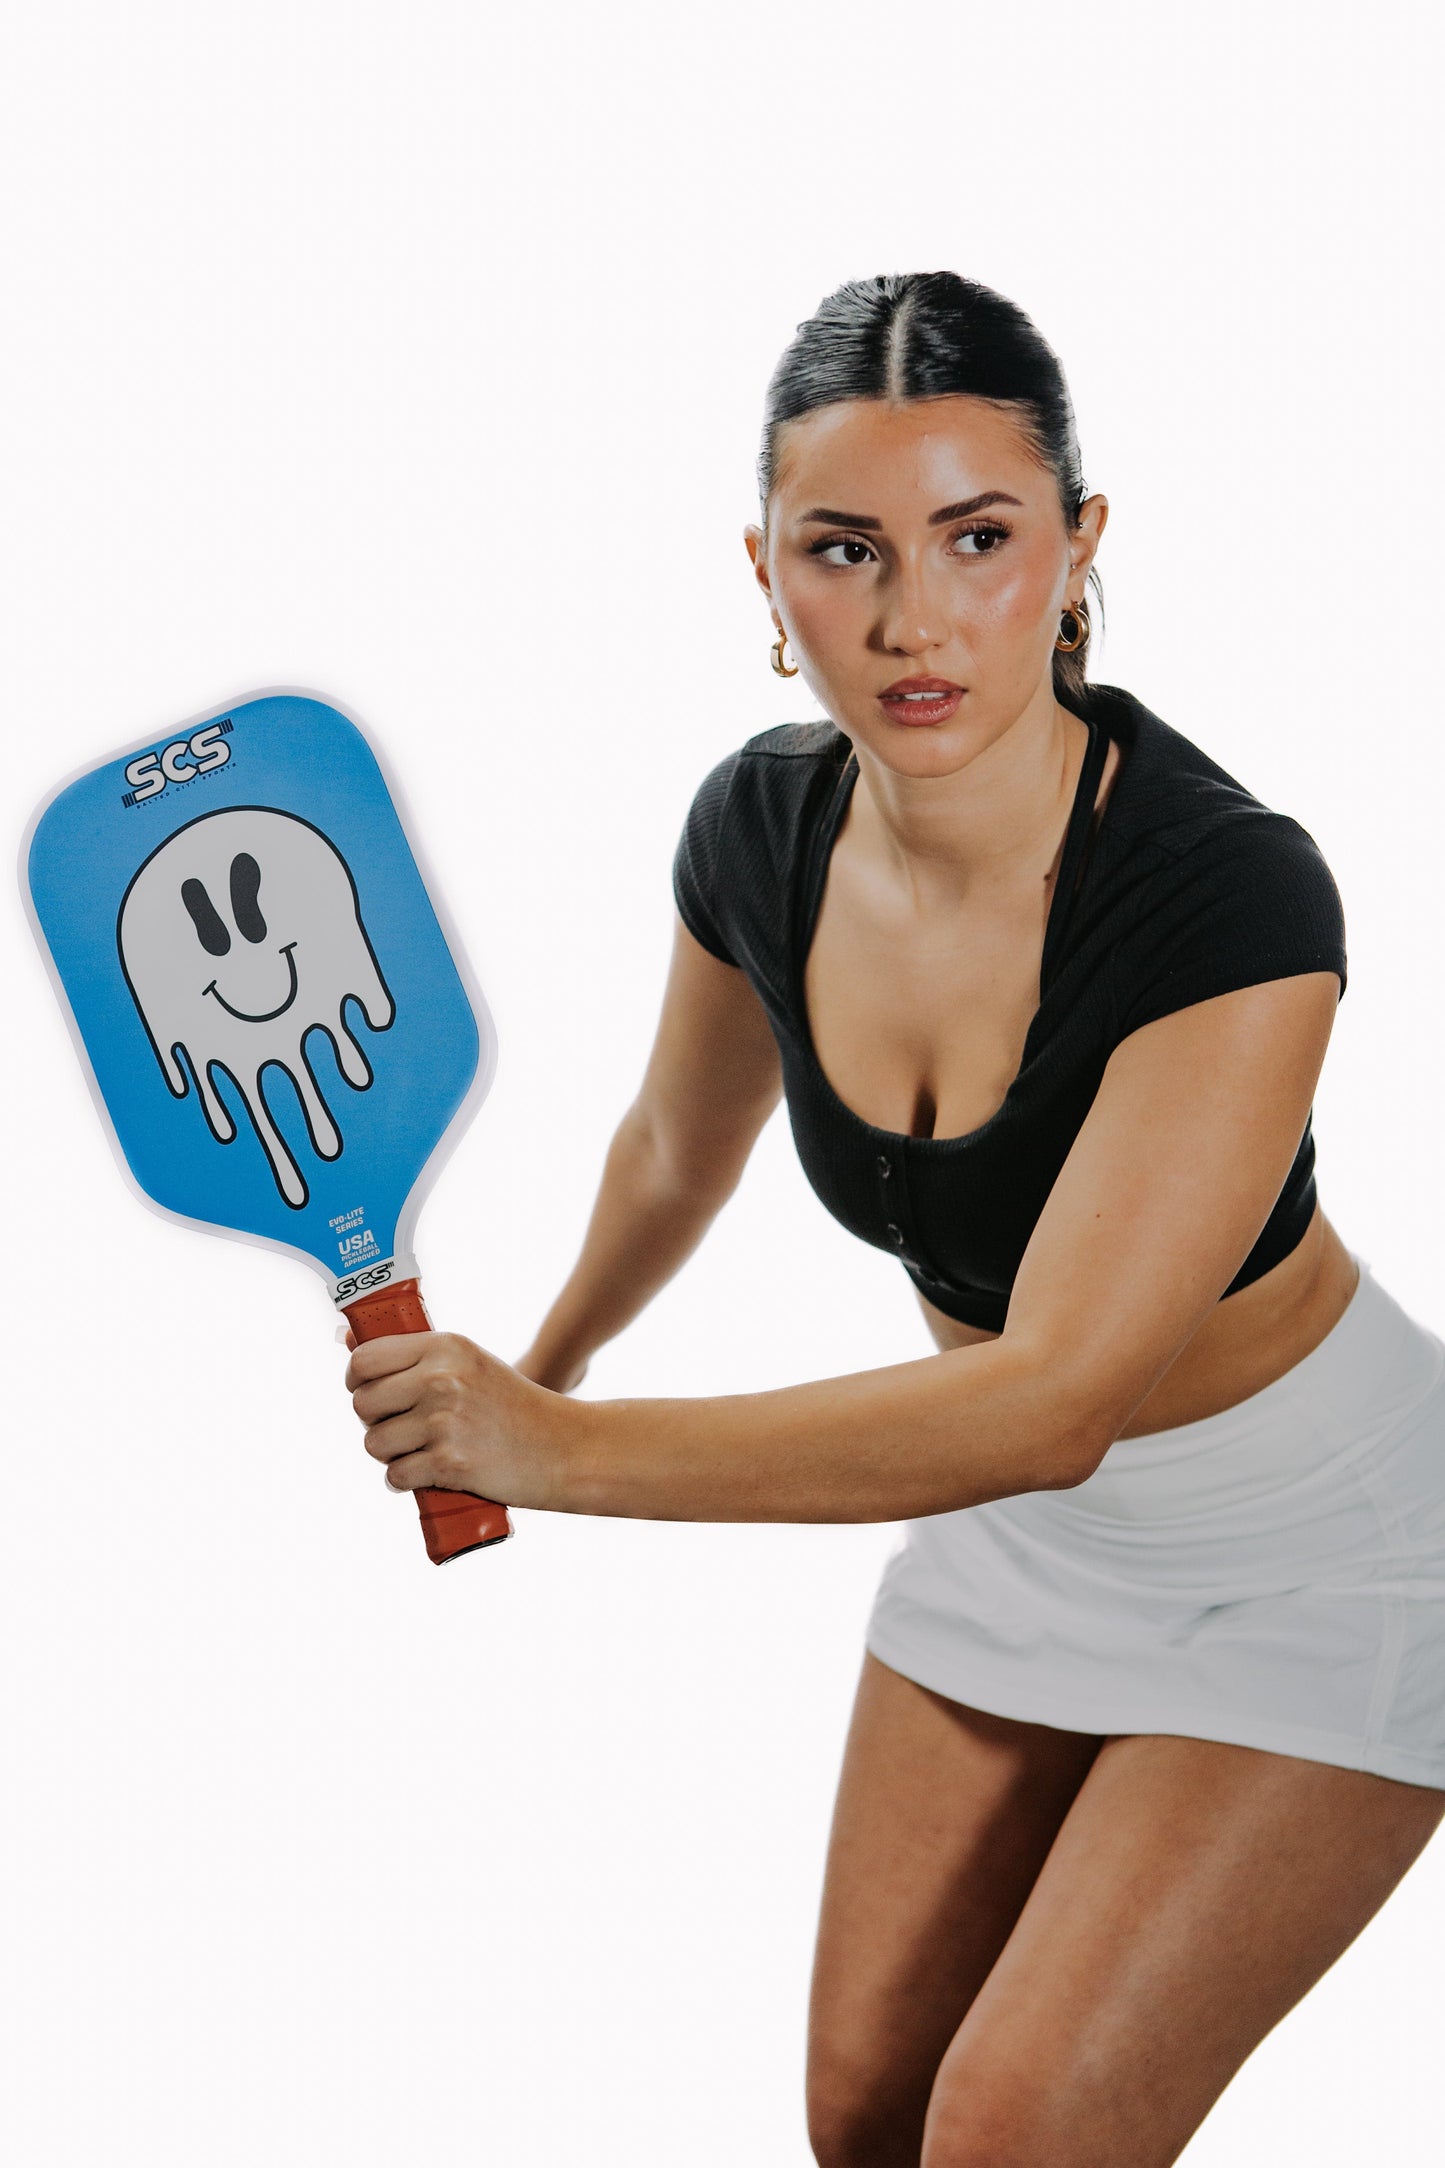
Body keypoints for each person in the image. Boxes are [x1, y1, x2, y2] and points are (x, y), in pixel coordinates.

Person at [344, 272, 1445, 2166]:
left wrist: (569, 1447)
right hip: (1021, 1540)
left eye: (978, 539)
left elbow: (1047, 1399)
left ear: (1079, 551)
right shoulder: (754, 834)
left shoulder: (1228, 895)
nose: (911, 618)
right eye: (841, 550)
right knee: (867, 2126)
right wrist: (536, 1363)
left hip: (1323, 1551)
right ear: (762, 574)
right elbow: (674, 1152)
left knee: (1012, 2129)